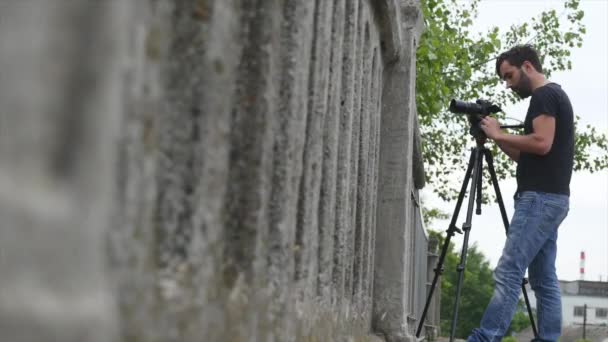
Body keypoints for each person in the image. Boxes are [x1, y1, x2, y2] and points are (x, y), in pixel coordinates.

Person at [467, 44, 574, 341]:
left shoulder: (544, 96)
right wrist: (495, 136)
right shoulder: (553, 95)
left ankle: (485, 337)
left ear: (527, 66)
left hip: (539, 199)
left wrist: (501, 132)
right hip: (551, 198)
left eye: (509, 75)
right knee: (542, 278)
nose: (508, 83)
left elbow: (542, 143)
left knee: (509, 270)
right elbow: (528, 155)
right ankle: (548, 338)